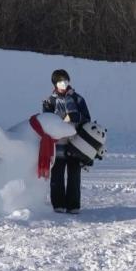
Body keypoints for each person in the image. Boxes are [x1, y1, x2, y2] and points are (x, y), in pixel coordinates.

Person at [42, 69, 90, 214]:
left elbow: (87, 118)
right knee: (57, 175)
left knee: (74, 175)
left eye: (66, 79)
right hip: (58, 144)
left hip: (76, 143)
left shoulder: (78, 99)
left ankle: (73, 205)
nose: (64, 83)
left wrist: (76, 117)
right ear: (55, 83)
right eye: (61, 80)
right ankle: (58, 204)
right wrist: (62, 118)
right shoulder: (49, 101)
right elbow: (46, 121)